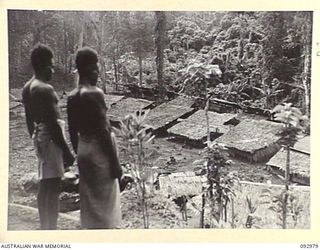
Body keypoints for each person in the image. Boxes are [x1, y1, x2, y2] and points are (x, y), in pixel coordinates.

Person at [67, 47, 124, 229]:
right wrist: (115, 163)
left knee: (91, 204)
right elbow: (104, 131)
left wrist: (79, 155)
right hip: (100, 152)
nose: (98, 72)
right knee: (106, 206)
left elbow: (72, 131)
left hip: (84, 149)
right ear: (90, 68)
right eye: (96, 68)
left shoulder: (72, 96)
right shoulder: (94, 93)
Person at [21, 43, 75, 230]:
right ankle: (50, 228)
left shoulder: (28, 87)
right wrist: (67, 152)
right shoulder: (45, 89)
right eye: (51, 65)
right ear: (43, 65)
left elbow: (29, 120)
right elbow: (53, 125)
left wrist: (36, 141)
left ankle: (45, 226)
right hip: (51, 139)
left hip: (41, 137)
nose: (53, 69)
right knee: (53, 186)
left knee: (45, 184)